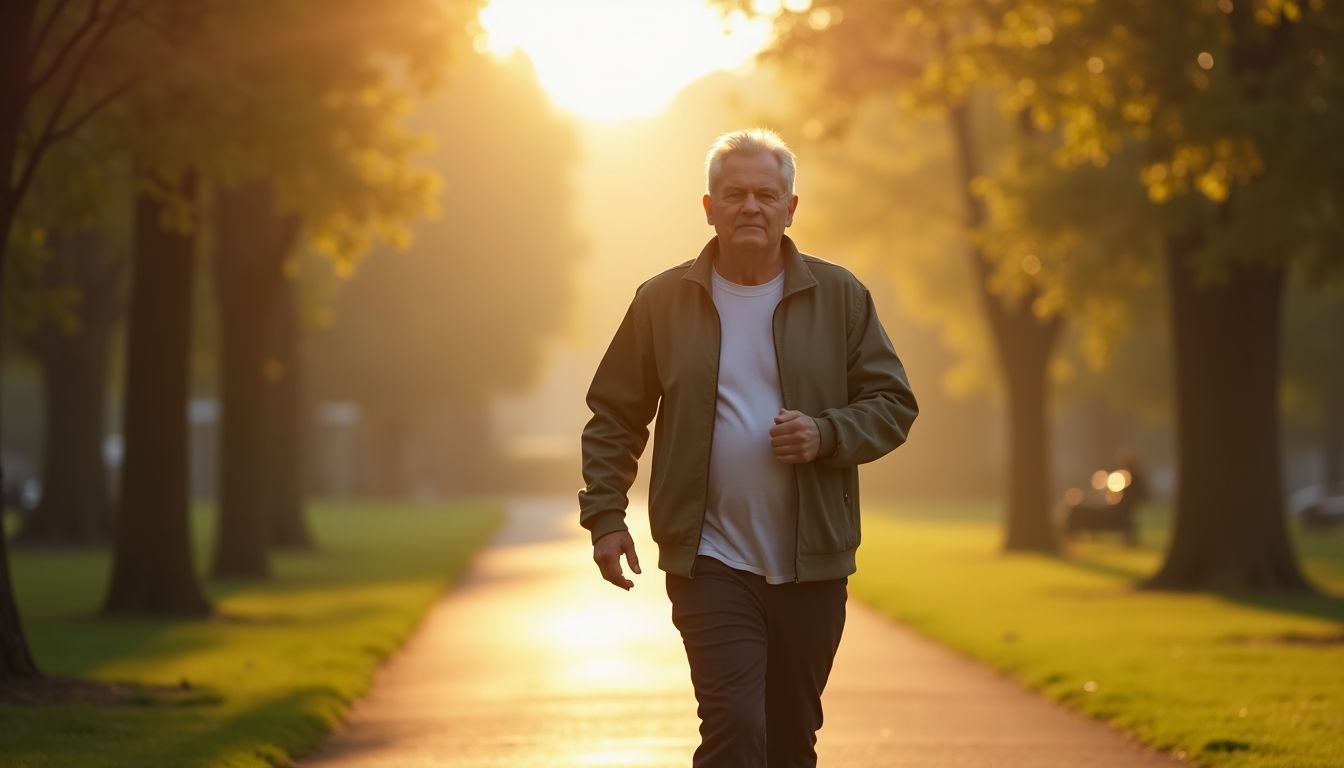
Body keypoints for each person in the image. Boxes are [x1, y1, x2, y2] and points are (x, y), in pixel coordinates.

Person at [578, 128, 918, 767]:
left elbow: (894, 403)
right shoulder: (662, 301)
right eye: (734, 194)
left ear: (792, 208)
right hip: (709, 561)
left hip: (812, 565)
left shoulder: (839, 296)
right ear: (708, 207)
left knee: (790, 742)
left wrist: (826, 433)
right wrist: (604, 515)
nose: (751, 207)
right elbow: (614, 415)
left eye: (767, 194)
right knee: (736, 728)